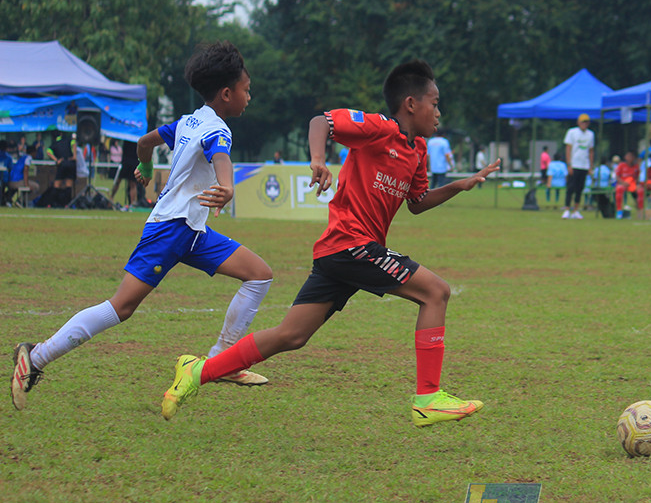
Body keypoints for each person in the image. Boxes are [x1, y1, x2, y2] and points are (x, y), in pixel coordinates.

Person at [158, 59, 501, 427]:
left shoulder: (417, 151)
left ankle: (198, 371)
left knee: (291, 335)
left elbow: (416, 203)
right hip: (352, 245)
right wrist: (318, 160)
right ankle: (429, 397)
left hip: (342, 252)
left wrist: (459, 185)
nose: (439, 113)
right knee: (436, 292)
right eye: (434, 103)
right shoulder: (378, 128)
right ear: (410, 104)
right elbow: (321, 122)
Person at [11, 41, 274, 411]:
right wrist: (227, 186)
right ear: (227, 94)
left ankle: (221, 361)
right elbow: (220, 156)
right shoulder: (217, 129)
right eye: (247, 89)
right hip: (171, 230)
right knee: (121, 307)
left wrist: (147, 167)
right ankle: (35, 356)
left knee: (259, 274)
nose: (249, 96)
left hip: (191, 231)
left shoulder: (188, 121)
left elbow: (144, 142)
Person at [563, 113, 594, 219]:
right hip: (574, 164)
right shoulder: (572, 132)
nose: (584, 124)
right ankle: (567, 209)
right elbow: (568, 148)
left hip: (584, 165)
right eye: (582, 122)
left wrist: (590, 166)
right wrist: (569, 164)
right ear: (578, 122)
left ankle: (576, 209)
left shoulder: (590, 134)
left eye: (586, 122)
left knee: (580, 188)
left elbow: (591, 151)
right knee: (570, 187)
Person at [45, 132, 77, 207]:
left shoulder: (55, 142)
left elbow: (48, 152)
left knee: (57, 184)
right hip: (70, 163)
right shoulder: (69, 139)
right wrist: (74, 156)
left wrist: (56, 160)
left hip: (62, 164)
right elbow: (74, 144)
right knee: (68, 185)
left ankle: (51, 204)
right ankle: (67, 204)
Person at [111, 139, 141, 209]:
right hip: (125, 161)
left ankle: (132, 203)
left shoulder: (138, 137)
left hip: (134, 162)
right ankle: (111, 198)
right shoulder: (127, 135)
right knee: (118, 181)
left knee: (133, 184)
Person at [614, 151, 643, 219]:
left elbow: (637, 177)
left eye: (631, 157)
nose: (630, 158)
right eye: (628, 156)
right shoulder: (621, 165)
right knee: (619, 188)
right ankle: (619, 211)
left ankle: (640, 211)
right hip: (623, 184)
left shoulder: (636, 166)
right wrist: (623, 183)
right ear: (625, 157)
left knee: (641, 190)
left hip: (632, 184)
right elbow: (617, 177)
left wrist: (636, 183)